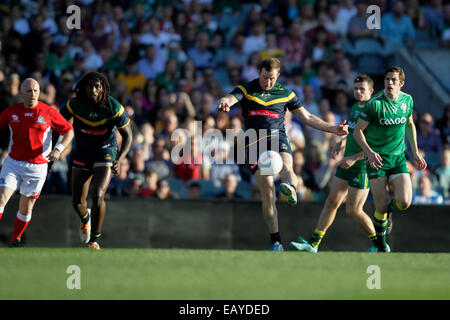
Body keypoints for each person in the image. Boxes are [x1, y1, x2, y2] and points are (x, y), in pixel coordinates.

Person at [217, 58, 348, 251]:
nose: (267, 82)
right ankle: (276, 242)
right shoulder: (246, 89)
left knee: (287, 166)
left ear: (277, 76)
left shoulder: (286, 93)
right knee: (268, 192)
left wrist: (333, 129)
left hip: (278, 137)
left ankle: (290, 187)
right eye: (264, 77)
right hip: (254, 143)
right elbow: (229, 98)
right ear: (258, 72)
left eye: (271, 78)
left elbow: (307, 117)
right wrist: (224, 103)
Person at [290, 75, 379, 253]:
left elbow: (376, 147)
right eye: (356, 88)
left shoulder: (375, 112)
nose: (358, 92)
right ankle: (313, 244)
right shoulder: (355, 108)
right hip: (347, 162)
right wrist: (341, 143)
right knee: (331, 201)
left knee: (353, 210)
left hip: (362, 166)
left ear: (371, 91)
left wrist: (354, 158)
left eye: (362, 89)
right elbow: (354, 132)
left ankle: (380, 243)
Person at [352, 66, 427, 252]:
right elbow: (357, 131)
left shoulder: (407, 100)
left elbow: (409, 124)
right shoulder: (375, 104)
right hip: (377, 159)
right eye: (387, 79)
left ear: (401, 83)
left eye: (394, 80)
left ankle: (389, 213)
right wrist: (369, 152)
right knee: (381, 205)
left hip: (398, 158)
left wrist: (416, 152)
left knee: (404, 202)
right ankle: (380, 244)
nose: (389, 83)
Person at [60, 72, 133, 250]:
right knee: (77, 203)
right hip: (83, 153)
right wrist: (54, 147)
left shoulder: (113, 107)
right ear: (84, 88)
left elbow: (128, 135)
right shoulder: (74, 104)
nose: (93, 90)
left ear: (103, 89)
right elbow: (58, 124)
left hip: (105, 151)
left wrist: (120, 158)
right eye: (90, 86)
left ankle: (94, 240)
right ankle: (86, 219)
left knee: (98, 194)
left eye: (97, 87)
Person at [0, 78, 74, 247]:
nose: (32, 94)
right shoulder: (12, 112)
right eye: (28, 91)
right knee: (1, 197)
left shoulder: (49, 112)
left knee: (26, 207)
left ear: (39, 92)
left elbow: (69, 131)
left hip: (38, 167)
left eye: (35, 90)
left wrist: (58, 149)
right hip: (13, 163)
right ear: (21, 93)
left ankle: (15, 239)